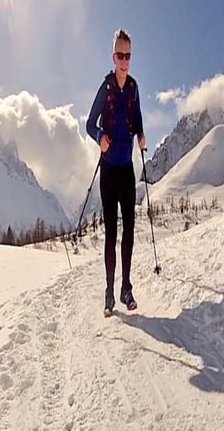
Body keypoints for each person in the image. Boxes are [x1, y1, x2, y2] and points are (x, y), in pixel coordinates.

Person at [86, 28, 146, 316]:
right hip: (110, 170)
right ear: (113, 57)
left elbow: (137, 118)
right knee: (111, 233)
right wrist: (100, 137)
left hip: (127, 170)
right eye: (120, 55)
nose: (124, 61)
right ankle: (109, 291)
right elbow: (88, 123)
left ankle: (126, 288)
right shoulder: (107, 87)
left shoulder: (133, 87)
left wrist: (142, 134)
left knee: (130, 231)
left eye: (128, 56)